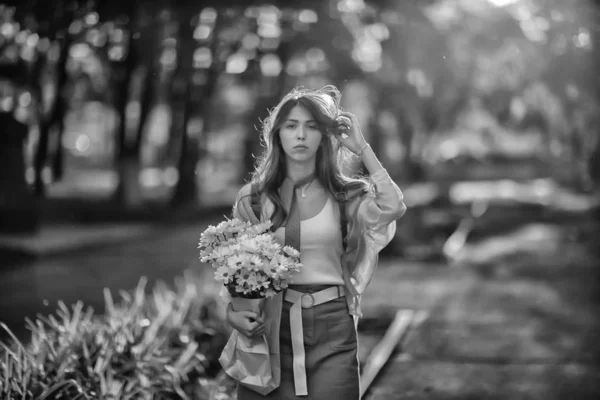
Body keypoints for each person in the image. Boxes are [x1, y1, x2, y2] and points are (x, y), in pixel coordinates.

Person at [226, 85, 406, 399]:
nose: (300, 135)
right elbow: (237, 272)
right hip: (272, 328)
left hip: (333, 326)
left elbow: (392, 208)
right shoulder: (254, 199)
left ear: (324, 136)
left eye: (311, 127)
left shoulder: (346, 196)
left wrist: (362, 148)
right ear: (277, 134)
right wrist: (234, 313)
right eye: (291, 126)